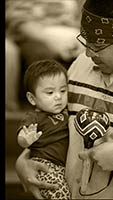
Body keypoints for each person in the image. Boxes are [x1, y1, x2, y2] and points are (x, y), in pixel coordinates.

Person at [15, 0, 113, 198]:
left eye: (98, 45)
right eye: (85, 41)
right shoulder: (80, 65)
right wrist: (24, 160)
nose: (88, 53)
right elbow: (54, 121)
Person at [17, 60, 71, 199]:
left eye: (63, 90)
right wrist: (25, 139)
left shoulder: (66, 112)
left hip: (66, 166)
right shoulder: (34, 117)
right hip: (46, 166)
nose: (58, 96)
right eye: (50, 92)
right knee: (60, 194)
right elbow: (22, 137)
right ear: (32, 98)